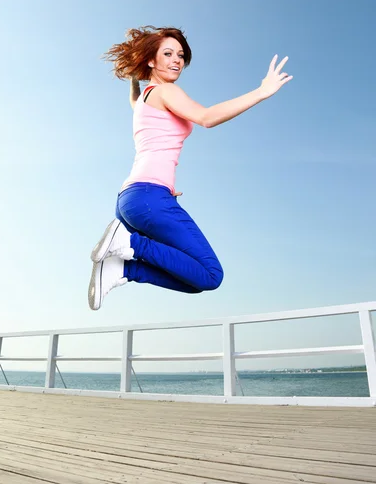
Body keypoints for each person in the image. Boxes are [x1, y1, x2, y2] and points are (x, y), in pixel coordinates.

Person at [88, 26, 293, 310]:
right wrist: (261, 92)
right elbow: (206, 117)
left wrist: (134, 80)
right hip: (148, 197)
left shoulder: (145, 98)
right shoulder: (165, 90)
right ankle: (128, 244)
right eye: (168, 54)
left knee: (195, 279)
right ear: (152, 60)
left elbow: (133, 102)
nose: (177, 61)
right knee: (210, 273)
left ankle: (124, 269)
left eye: (181, 56)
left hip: (130, 200)